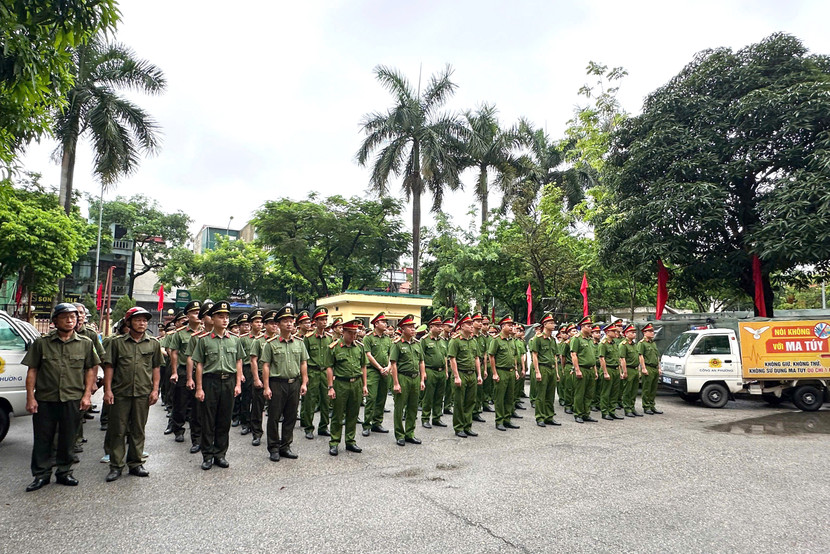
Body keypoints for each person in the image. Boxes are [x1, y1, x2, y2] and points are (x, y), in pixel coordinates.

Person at [23, 303, 100, 492]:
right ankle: (41, 474)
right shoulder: (42, 343)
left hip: (72, 398)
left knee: (68, 438)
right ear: (55, 320)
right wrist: (30, 398)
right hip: (45, 398)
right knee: (43, 438)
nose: (70, 320)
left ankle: (64, 472)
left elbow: (90, 370)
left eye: (73, 317)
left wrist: (87, 395)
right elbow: (32, 370)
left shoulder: (85, 343)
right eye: (65, 316)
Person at [102, 307, 162, 482]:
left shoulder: (153, 343)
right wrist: (107, 390)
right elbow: (109, 367)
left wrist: (155, 390)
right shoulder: (117, 343)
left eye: (144, 320)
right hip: (121, 392)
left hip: (142, 393)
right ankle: (116, 466)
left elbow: (156, 368)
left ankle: (136, 463)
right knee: (117, 430)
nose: (142, 323)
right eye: (137, 320)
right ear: (128, 322)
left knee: (138, 429)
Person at [191, 301, 244, 470]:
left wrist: (238, 384)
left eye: (227, 317)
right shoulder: (204, 340)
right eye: (220, 316)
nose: (225, 320)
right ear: (212, 319)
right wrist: (199, 388)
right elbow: (198, 364)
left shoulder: (235, 340)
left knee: (224, 419)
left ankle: (220, 454)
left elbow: (238, 361)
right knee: (208, 419)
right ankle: (207, 455)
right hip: (210, 381)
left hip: (228, 381)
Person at [260, 305, 309, 461]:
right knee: (274, 416)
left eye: (291, 321)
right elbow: (266, 365)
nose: (289, 324)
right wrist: (266, 387)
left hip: (294, 383)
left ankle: (286, 446)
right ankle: (273, 447)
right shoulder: (271, 343)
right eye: (285, 321)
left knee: (291, 416)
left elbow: (303, 363)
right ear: (279, 324)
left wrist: (304, 382)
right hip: (277, 383)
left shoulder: (299, 343)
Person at [326, 319, 368, 456]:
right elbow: (329, 368)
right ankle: (334, 442)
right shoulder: (334, 347)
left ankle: (350, 441)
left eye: (355, 333)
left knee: (353, 413)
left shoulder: (359, 347)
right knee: (338, 414)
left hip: (356, 383)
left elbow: (363, 366)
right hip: (341, 383)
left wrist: (365, 385)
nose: (353, 336)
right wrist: (330, 387)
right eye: (350, 333)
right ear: (343, 332)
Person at [167, 301, 203, 447]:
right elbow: (174, 353)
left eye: (199, 312)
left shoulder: (204, 333)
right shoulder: (180, 333)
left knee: (197, 406)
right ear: (187, 315)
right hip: (182, 371)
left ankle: (196, 436)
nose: (197, 315)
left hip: (199, 371)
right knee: (181, 403)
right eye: (194, 312)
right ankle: (179, 429)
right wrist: (174, 372)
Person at [389, 314, 425, 446]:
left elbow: (421, 361)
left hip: (415, 377)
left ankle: (410, 433)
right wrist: (396, 383)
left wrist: (422, 379)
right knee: (400, 407)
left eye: (413, 327)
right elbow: (393, 364)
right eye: (409, 327)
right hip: (403, 377)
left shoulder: (417, 344)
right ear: (402, 329)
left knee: (413, 407)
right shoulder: (397, 344)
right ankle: (399, 434)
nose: (413, 329)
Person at [447, 314, 483, 438]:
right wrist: (456, 376)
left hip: (471, 374)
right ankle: (458, 427)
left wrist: (479, 375)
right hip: (461, 373)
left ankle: (468, 426)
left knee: (470, 401)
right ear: (462, 326)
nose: (471, 326)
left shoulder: (473, 341)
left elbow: (477, 358)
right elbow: (452, 359)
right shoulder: (455, 340)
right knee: (459, 402)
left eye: (472, 324)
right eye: (469, 324)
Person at [301, 307, 332, 439]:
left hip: (325, 372)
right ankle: (308, 427)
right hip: (312, 372)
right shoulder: (308, 338)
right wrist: (305, 377)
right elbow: (304, 359)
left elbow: (331, 359)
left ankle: (323, 427)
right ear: (316, 321)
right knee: (310, 401)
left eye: (326, 319)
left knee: (326, 401)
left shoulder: (329, 339)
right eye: (321, 320)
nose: (324, 322)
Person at [362, 312, 392, 436]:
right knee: (371, 397)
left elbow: (391, 354)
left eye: (386, 322)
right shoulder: (368, 338)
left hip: (385, 371)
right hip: (373, 371)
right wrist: (380, 368)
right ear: (376, 324)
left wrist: (388, 367)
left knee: (382, 397)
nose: (385, 324)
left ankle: (377, 423)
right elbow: (368, 355)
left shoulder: (387, 339)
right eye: (383, 322)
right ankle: (367, 424)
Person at [488, 315, 520, 431]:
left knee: (509, 397)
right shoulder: (496, 340)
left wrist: (516, 370)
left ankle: (507, 419)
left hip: (511, 371)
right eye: (509, 325)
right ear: (502, 327)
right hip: (501, 371)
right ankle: (499, 420)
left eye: (512, 325)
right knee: (500, 398)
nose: (512, 327)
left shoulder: (512, 340)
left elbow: (514, 356)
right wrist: (494, 373)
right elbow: (491, 356)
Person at [530, 312, 561, 427]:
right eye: (551, 323)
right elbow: (535, 355)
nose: (553, 325)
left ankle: (549, 416)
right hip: (542, 368)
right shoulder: (538, 339)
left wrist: (557, 372)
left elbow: (555, 357)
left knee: (550, 395)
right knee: (541, 395)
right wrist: (537, 371)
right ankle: (540, 417)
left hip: (552, 369)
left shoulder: (552, 340)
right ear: (545, 324)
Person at [420, 315, 448, 428]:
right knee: (428, 396)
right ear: (431, 327)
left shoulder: (442, 341)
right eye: (437, 326)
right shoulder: (424, 340)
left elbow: (445, 356)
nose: (440, 328)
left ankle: (437, 417)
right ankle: (425, 418)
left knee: (439, 395)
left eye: (440, 326)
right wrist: (423, 373)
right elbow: (421, 358)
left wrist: (446, 371)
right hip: (430, 370)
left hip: (441, 371)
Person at [569, 316, 599, 424]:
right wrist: (577, 370)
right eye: (588, 326)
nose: (591, 328)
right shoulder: (576, 339)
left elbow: (592, 357)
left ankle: (586, 413)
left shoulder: (590, 340)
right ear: (582, 327)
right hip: (582, 368)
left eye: (591, 326)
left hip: (590, 369)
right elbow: (574, 354)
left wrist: (595, 370)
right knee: (579, 393)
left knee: (589, 393)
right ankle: (578, 414)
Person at [245, 308, 266, 445]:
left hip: (274, 376)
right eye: (256, 322)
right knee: (255, 404)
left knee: (275, 408)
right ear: (251, 323)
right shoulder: (253, 340)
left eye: (261, 322)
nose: (259, 324)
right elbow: (252, 360)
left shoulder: (275, 339)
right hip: (255, 372)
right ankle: (255, 431)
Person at [598, 323, 624, 421]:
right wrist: (605, 372)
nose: (615, 332)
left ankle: (612, 411)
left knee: (614, 392)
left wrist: (620, 371)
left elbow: (617, 358)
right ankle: (605, 412)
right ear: (607, 332)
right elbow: (602, 359)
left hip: (615, 369)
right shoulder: (603, 344)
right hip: (608, 369)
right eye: (613, 331)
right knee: (606, 392)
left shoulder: (614, 344)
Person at [638, 323, 663, 415]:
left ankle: (652, 405)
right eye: (650, 331)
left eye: (653, 331)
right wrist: (643, 368)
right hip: (648, 367)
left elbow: (657, 356)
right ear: (644, 332)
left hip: (654, 368)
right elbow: (641, 356)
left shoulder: (653, 343)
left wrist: (659, 367)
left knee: (653, 388)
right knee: (646, 389)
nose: (652, 333)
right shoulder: (642, 344)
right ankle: (646, 406)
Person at [618, 324, 643, 417]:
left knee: (634, 391)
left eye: (634, 332)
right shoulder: (623, 345)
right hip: (628, 369)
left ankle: (632, 407)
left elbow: (638, 357)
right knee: (627, 390)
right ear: (626, 333)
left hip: (635, 369)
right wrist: (624, 371)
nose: (634, 334)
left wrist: (639, 368)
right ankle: (627, 408)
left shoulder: (634, 345)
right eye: (632, 332)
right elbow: (622, 359)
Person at [441, 318, 455, 416]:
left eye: (451, 327)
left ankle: (447, 407)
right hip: (441, 367)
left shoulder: (451, 339)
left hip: (450, 367)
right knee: (441, 389)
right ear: (443, 327)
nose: (450, 328)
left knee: (449, 389)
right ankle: (436, 410)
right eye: (449, 326)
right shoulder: (440, 339)